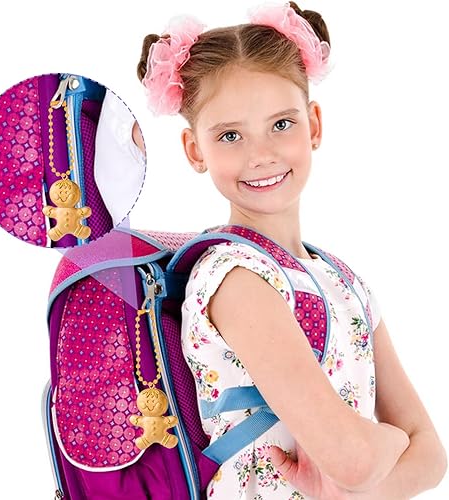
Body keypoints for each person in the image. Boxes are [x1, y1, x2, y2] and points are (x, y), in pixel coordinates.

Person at [137, 2, 447, 499]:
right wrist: (391, 442)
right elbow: (355, 457)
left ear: (314, 124)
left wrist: (353, 486)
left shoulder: (345, 282)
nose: (260, 154)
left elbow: (432, 458)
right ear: (195, 150)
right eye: (230, 135)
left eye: (281, 124)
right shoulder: (234, 278)